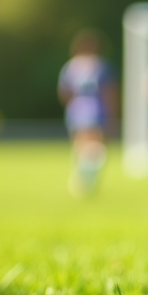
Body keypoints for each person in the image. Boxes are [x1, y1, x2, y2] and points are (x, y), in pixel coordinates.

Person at [57, 29, 118, 196]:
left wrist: (72, 105)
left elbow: (64, 92)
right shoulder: (102, 66)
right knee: (96, 146)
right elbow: (109, 92)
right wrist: (112, 115)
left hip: (77, 108)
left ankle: (81, 179)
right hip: (97, 108)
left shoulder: (71, 66)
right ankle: (87, 181)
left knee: (80, 145)